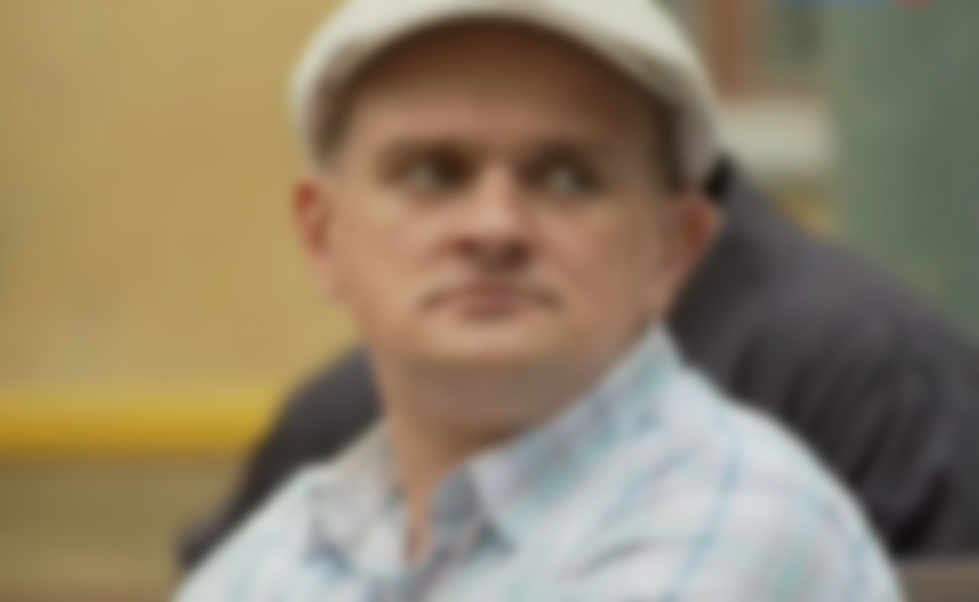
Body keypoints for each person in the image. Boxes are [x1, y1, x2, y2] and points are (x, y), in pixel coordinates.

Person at [174, 1, 903, 600]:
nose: (495, 227)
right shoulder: (303, 536)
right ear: (323, 239)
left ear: (673, 250)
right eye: (434, 173)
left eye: (567, 178)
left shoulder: (736, 514)